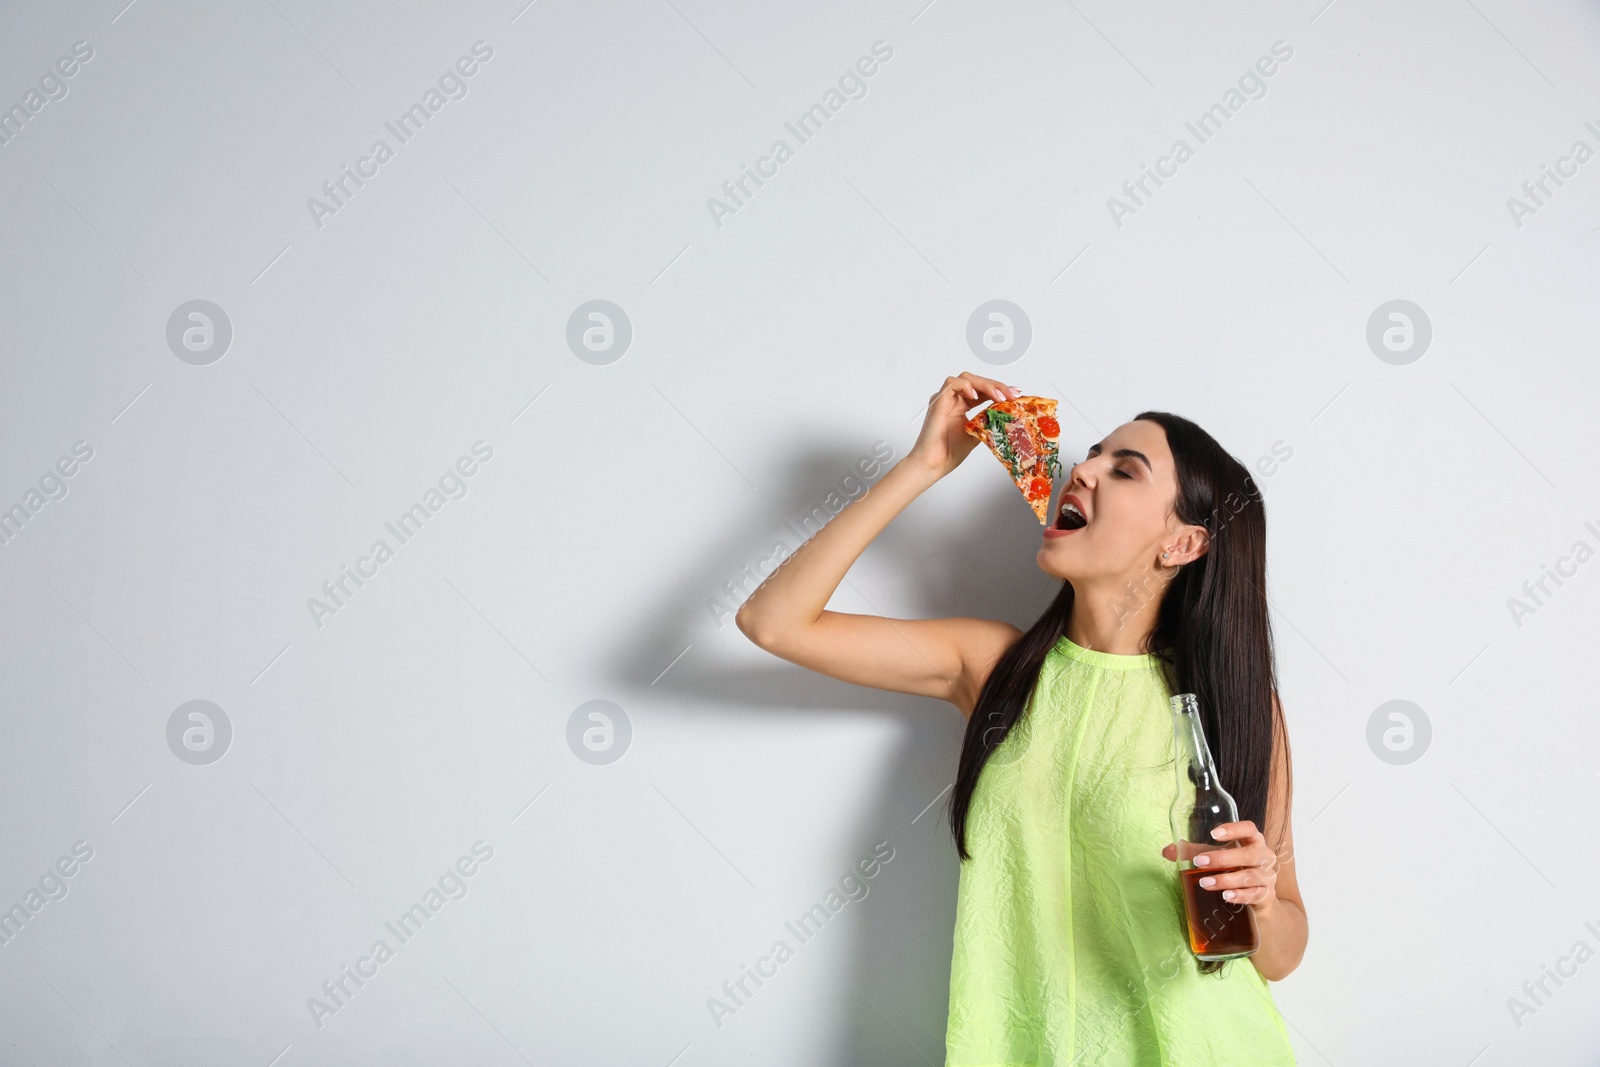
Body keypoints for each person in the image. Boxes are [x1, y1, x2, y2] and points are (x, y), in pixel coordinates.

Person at [735, 371, 1306, 1065]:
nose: (1084, 469)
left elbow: (1280, 954)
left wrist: (1263, 904)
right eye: (1092, 454)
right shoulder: (994, 666)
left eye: (1123, 470)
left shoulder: (1229, 700)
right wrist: (924, 466)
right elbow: (773, 622)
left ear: (1182, 544)